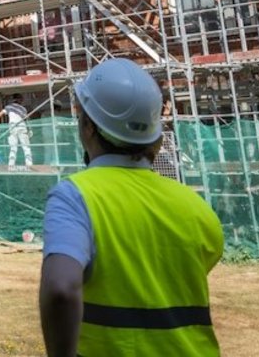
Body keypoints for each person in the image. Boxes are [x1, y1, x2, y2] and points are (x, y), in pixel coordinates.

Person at [39, 59, 224, 357]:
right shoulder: (196, 206)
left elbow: (61, 288)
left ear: (87, 126)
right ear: (157, 138)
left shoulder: (75, 196)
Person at [0, 93, 33, 170]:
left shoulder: (9, 107)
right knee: (26, 147)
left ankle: (11, 165)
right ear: (20, 100)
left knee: (13, 147)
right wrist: (30, 129)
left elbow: (0, 114)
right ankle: (29, 165)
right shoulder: (23, 109)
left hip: (13, 128)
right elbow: (27, 119)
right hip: (22, 128)